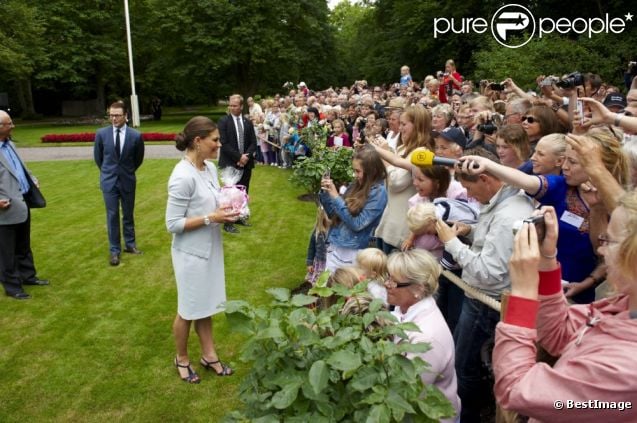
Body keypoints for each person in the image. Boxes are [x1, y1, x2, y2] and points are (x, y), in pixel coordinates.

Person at [494, 198, 637, 422]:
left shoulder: (626, 369)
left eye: (609, 240)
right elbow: (559, 333)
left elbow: (516, 391)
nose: (600, 249)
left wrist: (523, 293)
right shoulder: (625, 305)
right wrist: (546, 261)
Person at [435, 147, 535, 422]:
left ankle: (465, 415)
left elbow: (487, 272)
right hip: (484, 298)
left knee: (466, 366)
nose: (467, 195)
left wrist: (451, 242)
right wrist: (472, 230)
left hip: (485, 302)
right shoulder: (505, 202)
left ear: (487, 179)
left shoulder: (507, 215)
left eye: (469, 187)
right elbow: (493, 241)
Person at [165, 116, 240, 384]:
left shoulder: (208, 168)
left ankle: (209, 355)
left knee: (206, 304)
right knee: (188, 308)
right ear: (198, 141)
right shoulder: (182, 177)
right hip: (190, 254)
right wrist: (212, 218)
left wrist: (234, 204)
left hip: (210, 248)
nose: (219, 145)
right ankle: (182, 358)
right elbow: (172, 224)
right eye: (215, 140)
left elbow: (215, 201)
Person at [385, 249, 461, 421]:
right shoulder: (404, 307)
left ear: (418, 288)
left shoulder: (427, 338)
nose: (387, 284)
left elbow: (406, 392)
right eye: (388, 277)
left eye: (394, 282)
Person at [0, 110, 49, 300]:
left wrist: (32, 179)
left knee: (23, 245)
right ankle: (12, 287)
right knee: (6, 251)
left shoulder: (9, 144)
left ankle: (28, 276)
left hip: (21, 204)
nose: (13, 126)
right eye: (9, 124)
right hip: (5, 209)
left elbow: (20, 169)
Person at [319, 146, 388, 272]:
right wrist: (326, 193)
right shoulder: (357, 184)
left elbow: (357, 224)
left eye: (358, 171)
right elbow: (334, 215)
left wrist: (336, 197)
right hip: (336, 246)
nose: (354, 175)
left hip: (353, 252)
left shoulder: (379, 192)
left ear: (371, 171)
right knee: (327, 289)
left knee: (347, 289)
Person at [93, 101, 145, 266]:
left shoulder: (135, 136)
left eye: (117, 115)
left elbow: (138, 159)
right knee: (112, 215)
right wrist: (109, 172)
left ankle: (130, 245)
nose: (114, 118)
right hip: (109, 182)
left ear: (126, 116)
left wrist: (127, 172)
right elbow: (99, 158)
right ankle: (114, 250)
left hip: (127, 180)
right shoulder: (101, 134)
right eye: (111, 115)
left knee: (128, 214)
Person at [218, 94, 257, 233]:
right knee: (230, 195)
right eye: (230, 105)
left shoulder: (247, 122)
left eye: (235, 105)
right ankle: (228, 223)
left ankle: (240, 216)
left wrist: (246, 156)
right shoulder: (223, 122)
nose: (231, 108)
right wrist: (238, 157)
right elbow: (224, 143)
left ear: (241, 106)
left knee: (243, 191)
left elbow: (253, 142)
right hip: (230, 162)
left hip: (246, 163)